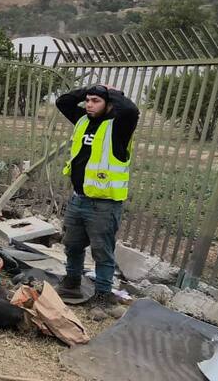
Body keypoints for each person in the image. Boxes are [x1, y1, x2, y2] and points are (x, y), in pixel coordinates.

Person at [56, 84, 139, 307]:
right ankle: (72, 283)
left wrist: (112, 92)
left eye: (96, 101)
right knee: (72, 245)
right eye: (87, 100)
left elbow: (131, 110)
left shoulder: (119, 126)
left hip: (104, 204)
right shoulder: (83, 120)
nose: (89, 105)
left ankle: (103, 294)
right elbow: (63, 101)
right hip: (79, 198)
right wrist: (89, 90)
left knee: (102, 251)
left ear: (109, 104)